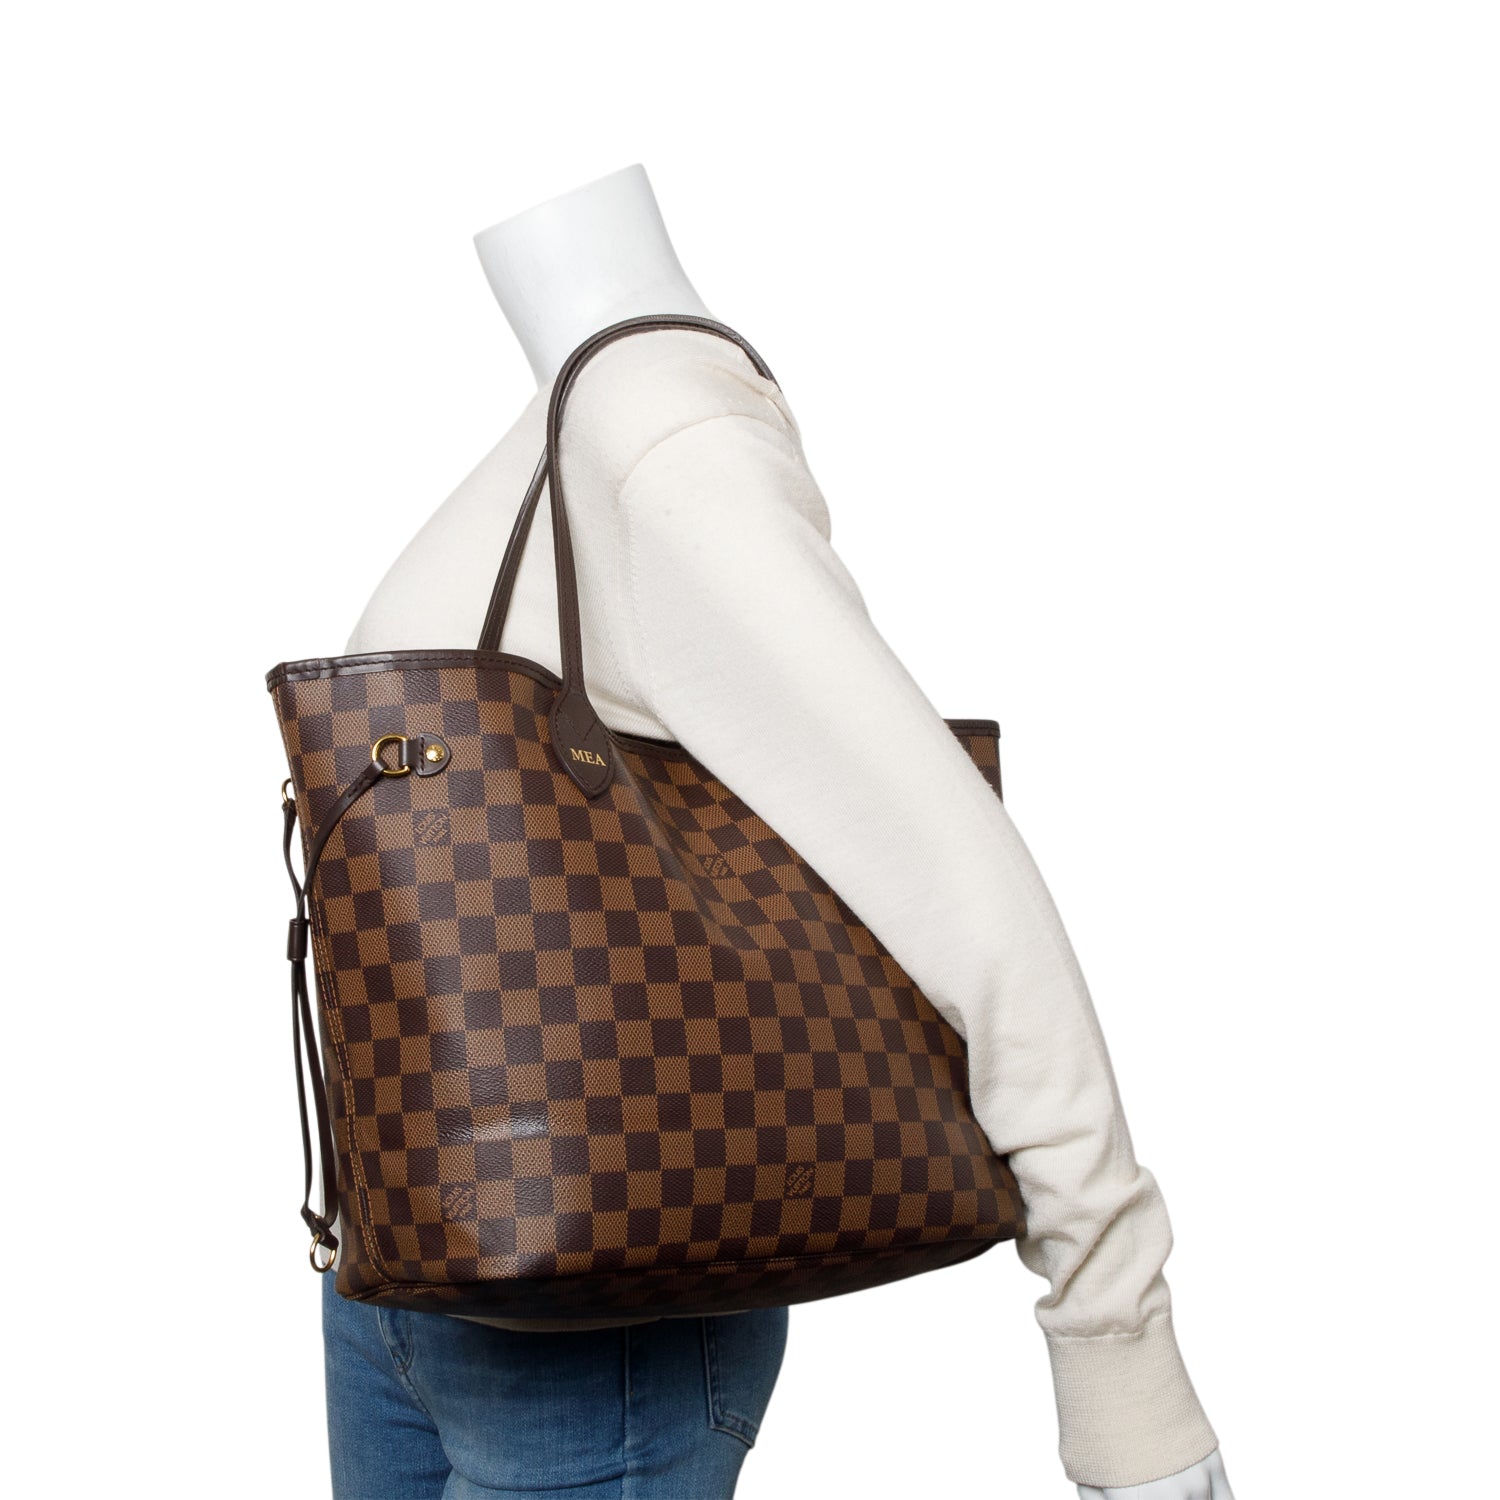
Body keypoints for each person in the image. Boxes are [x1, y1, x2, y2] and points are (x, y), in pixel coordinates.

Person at [328, 163, 1235, 1499]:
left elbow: (971, 895)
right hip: (405, 1264)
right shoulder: (571, 422)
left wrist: (1118, 1351)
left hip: (599, 1316)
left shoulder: (661, 440)